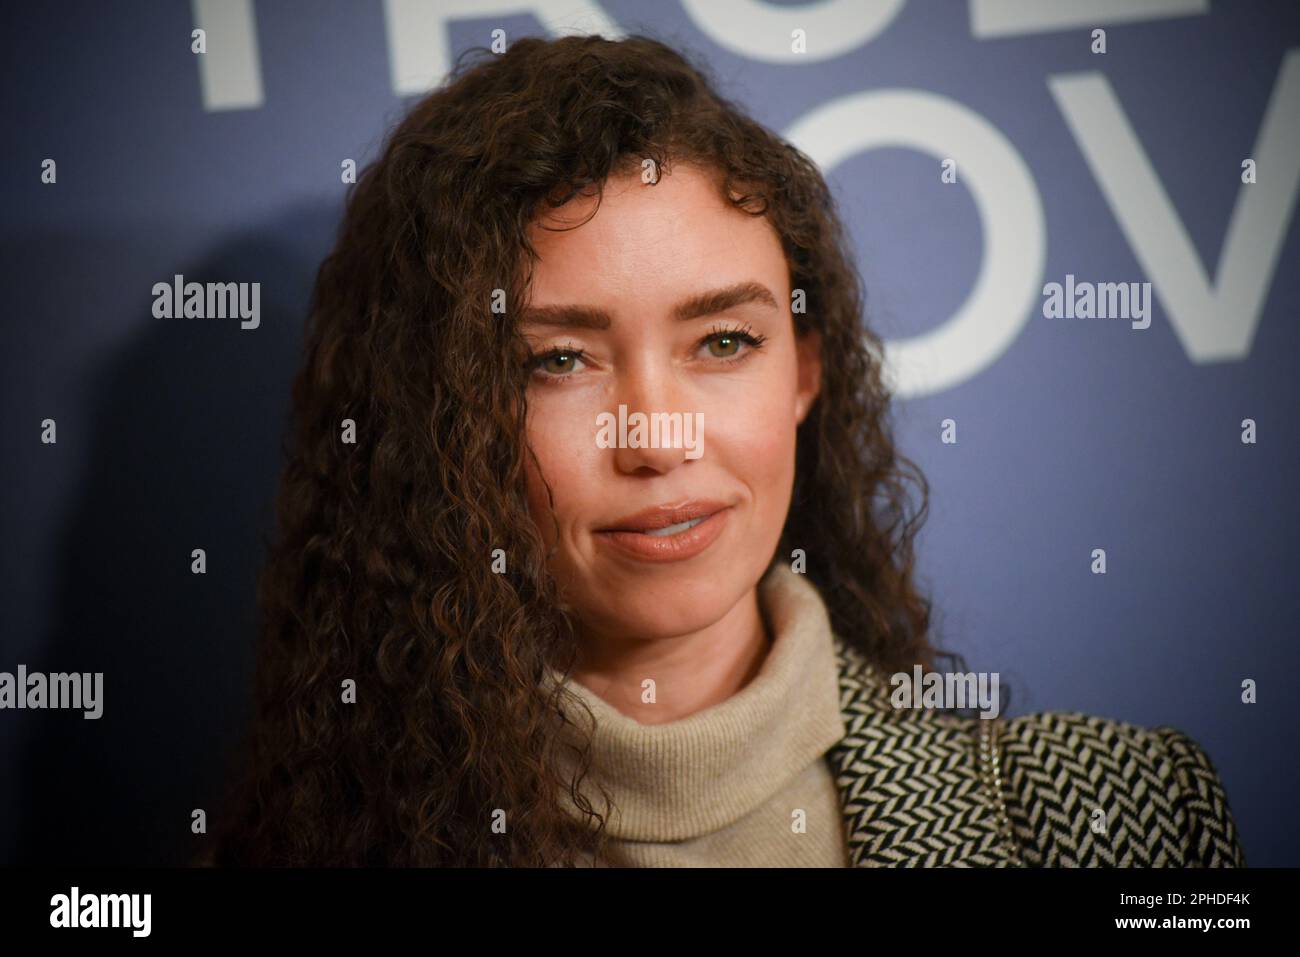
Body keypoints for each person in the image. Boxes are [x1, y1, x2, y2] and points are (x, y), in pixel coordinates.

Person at [203, 34, 1245, 868]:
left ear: (803, 373)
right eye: (557, 360)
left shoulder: (1119, 813)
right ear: (443, 417)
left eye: (724, 341)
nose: (656, 437)